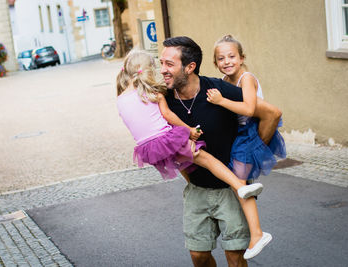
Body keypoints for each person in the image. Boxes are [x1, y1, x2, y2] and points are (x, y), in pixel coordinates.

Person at [160, 36, 281, 266]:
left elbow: (272, 114)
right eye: (161, 63)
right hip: (196, 190)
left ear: (190, 67)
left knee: (234, 257)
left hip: (231, 190)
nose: (163, 70)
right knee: (198, 255)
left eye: (169, 64)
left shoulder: (218, 89)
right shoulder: (164, 100)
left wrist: (253, 155)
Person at [116, 50, 262, 205]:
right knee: (205, 159)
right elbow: (168, 115)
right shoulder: (152, 93)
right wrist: (188, 130)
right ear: (148, 70)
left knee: (181, 162)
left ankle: (193, 188)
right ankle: (239, 186)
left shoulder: (120, 99)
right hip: (164, 139)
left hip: (148, 148)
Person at [207, 34, 287, 259]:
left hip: (249, 132)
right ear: (215, 63)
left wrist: (221, 101)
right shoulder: (224, 81)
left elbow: (250, 109)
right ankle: (254, 228)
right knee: (239, 184)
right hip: (238, 134)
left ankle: (257, 234)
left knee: (238, 185)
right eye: (221, 58)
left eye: (232, 56)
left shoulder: (247, 78)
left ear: (241, 58)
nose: (227, 61)